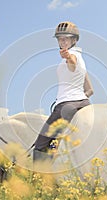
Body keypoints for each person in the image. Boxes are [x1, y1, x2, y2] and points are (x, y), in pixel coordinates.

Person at [33, 21, 94, 162]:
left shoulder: (72, 56)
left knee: (40, 145)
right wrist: (78, 99)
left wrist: (67, 57)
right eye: (60, 39)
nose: (62, 41)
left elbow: (71, 64)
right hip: (85, 103)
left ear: (74, 40)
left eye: (66, 38)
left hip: (66, 106)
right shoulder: (82, 59)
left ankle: (38, 182)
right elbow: (90, 90)